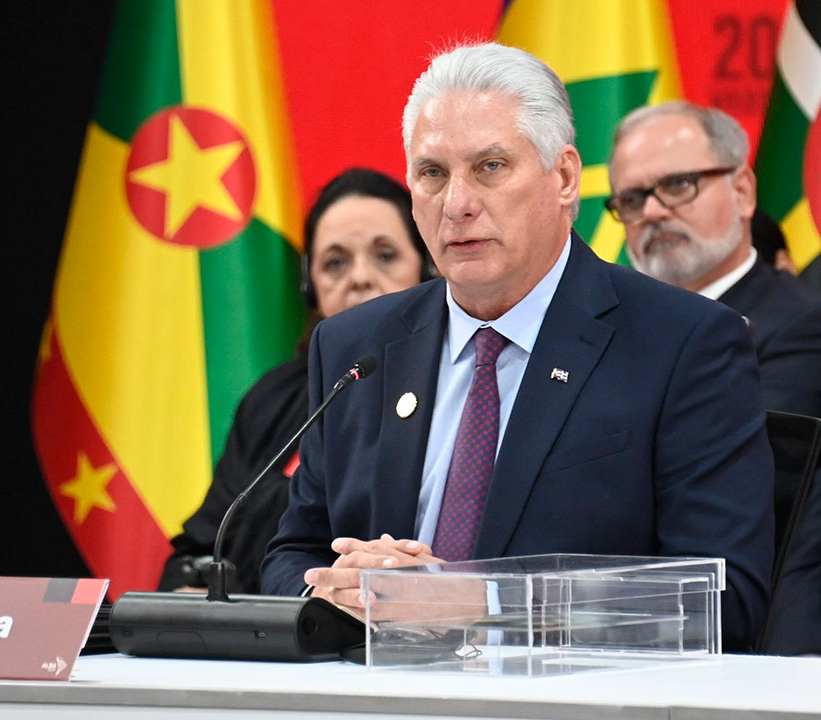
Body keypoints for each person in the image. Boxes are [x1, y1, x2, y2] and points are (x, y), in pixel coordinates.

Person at [261, 43, 773, 652]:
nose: (457, 203)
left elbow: (724, 599)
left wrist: (485, 603)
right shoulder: (354, 346)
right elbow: (294, 551)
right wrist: (326, 594)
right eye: (432, 174)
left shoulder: (684, 344)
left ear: (563, 178)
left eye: (490, 167)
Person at [157, 168, 435, 594]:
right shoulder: (275, 398)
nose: (359, 277)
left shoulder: (458, 384)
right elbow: (202, 546)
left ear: (427, 268)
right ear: (310, 287)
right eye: (335, 262)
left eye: (385, 255)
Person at [608, 101, 821, 420]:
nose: (651, 212)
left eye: (678, 184)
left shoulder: (803, 324)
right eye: (631, 199)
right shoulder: (604, 328)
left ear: (742, 192)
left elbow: (752, 463)